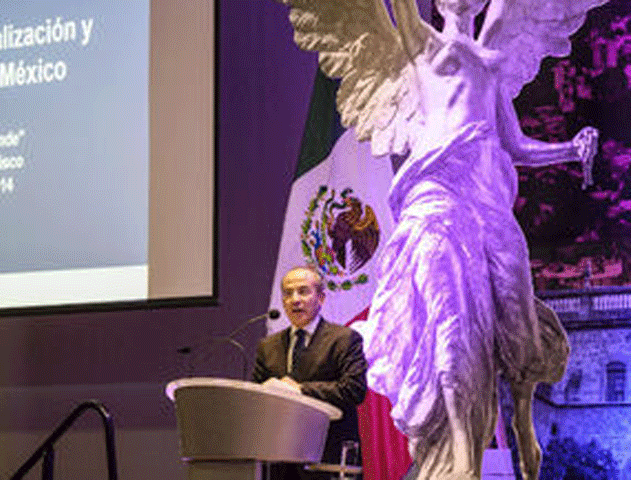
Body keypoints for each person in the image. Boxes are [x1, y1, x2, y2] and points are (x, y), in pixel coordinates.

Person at [274, 0, 604, 478]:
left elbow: (515, 146)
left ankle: (523, 419)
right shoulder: (420, 48)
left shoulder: (490, 64)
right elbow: (402, 12)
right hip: (434, 199)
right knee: (449, 325)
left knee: (516, 314)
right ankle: (463, 457)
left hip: (484, 203)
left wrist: (569, 149)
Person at [252, 266, 368, 480]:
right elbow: (256, 399)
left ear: (321, 298)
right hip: (280, 462)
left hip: (327, 459)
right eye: (288, 293)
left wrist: (300, 390)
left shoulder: (344, 339)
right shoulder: (268, 346)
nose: (295, 300)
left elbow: (354, 389)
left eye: (303, 291)